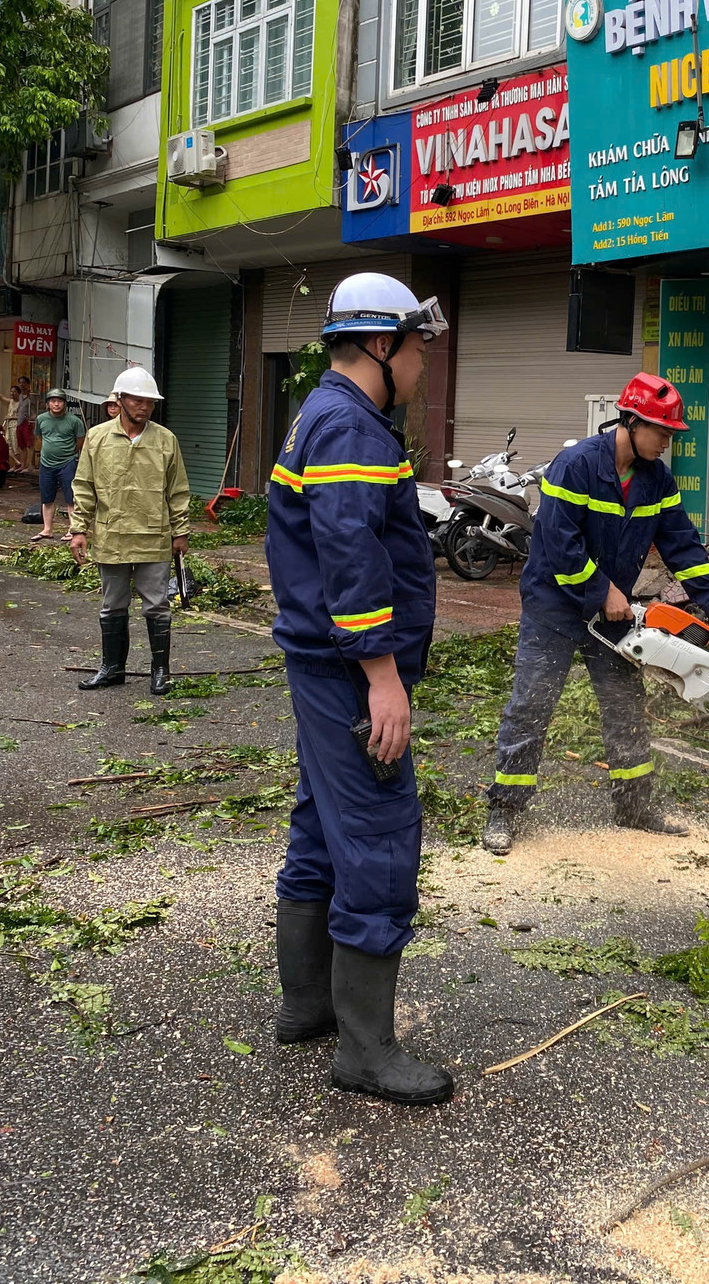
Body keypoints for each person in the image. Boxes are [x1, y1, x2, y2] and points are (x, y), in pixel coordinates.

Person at [266, 272, 453, 1107]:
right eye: (417, 345)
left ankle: (307, 1005)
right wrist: (383, 675)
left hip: (323, 664)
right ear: (381, 344)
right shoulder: (349, 428)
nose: (421, 361)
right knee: (378, 836)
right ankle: (366, 1053)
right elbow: (351, 557)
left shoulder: (329, 411)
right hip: (348, 671)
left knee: (320, 826)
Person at [482, 373, 709, 857]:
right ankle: (505, 810)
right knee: (532, 706)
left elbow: (682, 545)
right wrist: (602, 592)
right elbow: (559, 545)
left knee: (625, 708)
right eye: (662, 432)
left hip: (612, 613)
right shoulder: (575, 465)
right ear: (632, 422)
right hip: (554, 607)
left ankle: (634, 808)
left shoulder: (656, 479)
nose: (667, 442)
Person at [69, 367, 190, 696]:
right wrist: (79, 529)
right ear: (119, 400)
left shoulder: (166, 440)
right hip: (112, 536)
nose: (145, 407)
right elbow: (84, 487)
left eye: (150, 402)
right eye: (138, 400)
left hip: (154, 537)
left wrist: (181, 532)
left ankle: (160, 672)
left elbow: (177, 491)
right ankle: (112, 669)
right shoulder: (97, 438)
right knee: (113, 605)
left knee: (157, 606)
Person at [32, 389, 85, 541]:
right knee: (47, 498)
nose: (56, 404)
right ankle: (47, 529)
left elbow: (80, 440)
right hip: (46, 464)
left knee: (71, 498)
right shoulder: (41, 419)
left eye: (59, 401)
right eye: (53, 401)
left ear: (64, 404)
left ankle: (72, 529)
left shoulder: (74, 421)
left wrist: (70, 453)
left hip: (67, 463)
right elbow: (40, 437)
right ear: (48, 403)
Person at [15, 375, 35, 469]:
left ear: (28, 384)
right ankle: (22, 465)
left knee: (29, 444)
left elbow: (40, 407)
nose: (22, 385)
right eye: (20, 382)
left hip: (28, 423)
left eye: (24, 383)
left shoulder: (32, 396)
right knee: (21, 445)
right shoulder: (19, 396)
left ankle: (30, 465)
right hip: (19, 423)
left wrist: (33, 417)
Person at [2, 382, 22, 471]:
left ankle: (19, 464)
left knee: (15, 445)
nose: (12, 393)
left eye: (14, 392)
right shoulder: (10, 401)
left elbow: (22, 415)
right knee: (8, 444)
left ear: (18, 393)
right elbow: (2, 398)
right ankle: (16, 462)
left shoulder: (20, 403)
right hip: (9, 425)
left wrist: (11, 417)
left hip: (15, 425)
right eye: (11, 392)